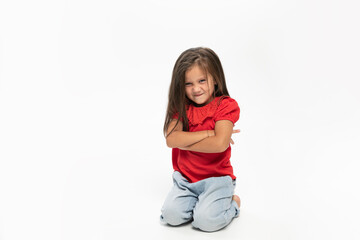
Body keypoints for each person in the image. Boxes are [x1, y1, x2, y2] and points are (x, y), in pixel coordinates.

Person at [160, 47, 241, 232]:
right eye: (188, 84)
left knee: (206, 222)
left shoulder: (225, 105)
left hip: (217, 179)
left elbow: (219, 145)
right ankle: (198, 202)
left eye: (202, 80)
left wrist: (186, 140)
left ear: (215, 79)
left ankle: (233, 204)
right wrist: (208, 133)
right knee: (171, 216)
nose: (196, 89)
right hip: (186, 180)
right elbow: (172, 140)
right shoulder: (181, 106)